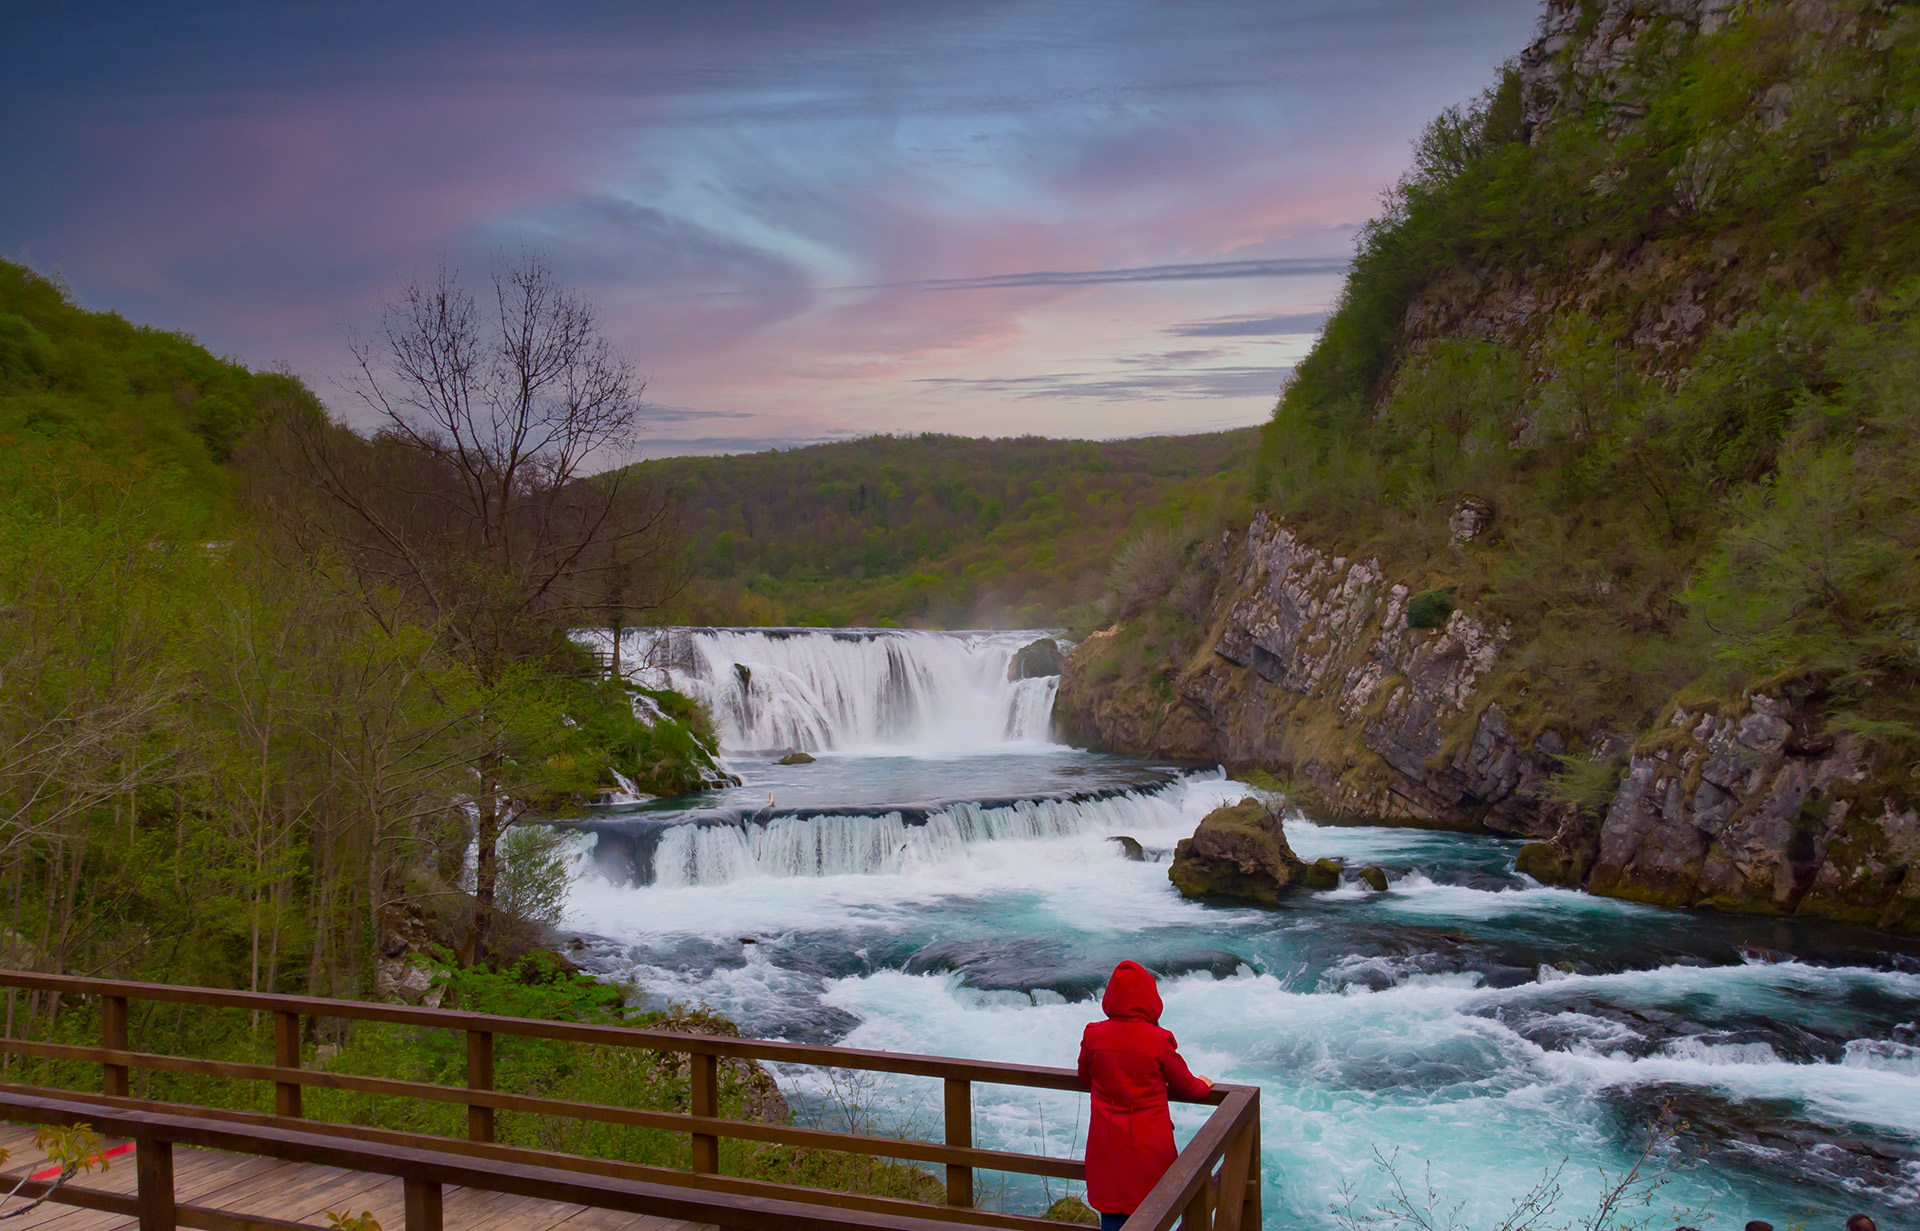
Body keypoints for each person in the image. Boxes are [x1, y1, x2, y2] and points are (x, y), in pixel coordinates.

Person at [1078, 961, 1213, 1231]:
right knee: (1154, 1214)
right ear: (1150, 997)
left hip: (1106, 1146)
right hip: (1148, 1146)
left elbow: (1085, 1076)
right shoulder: (1158, 1039)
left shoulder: (1094, 1035)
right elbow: (1186, 1086)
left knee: (1112, 1212)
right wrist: (1204, 1084)